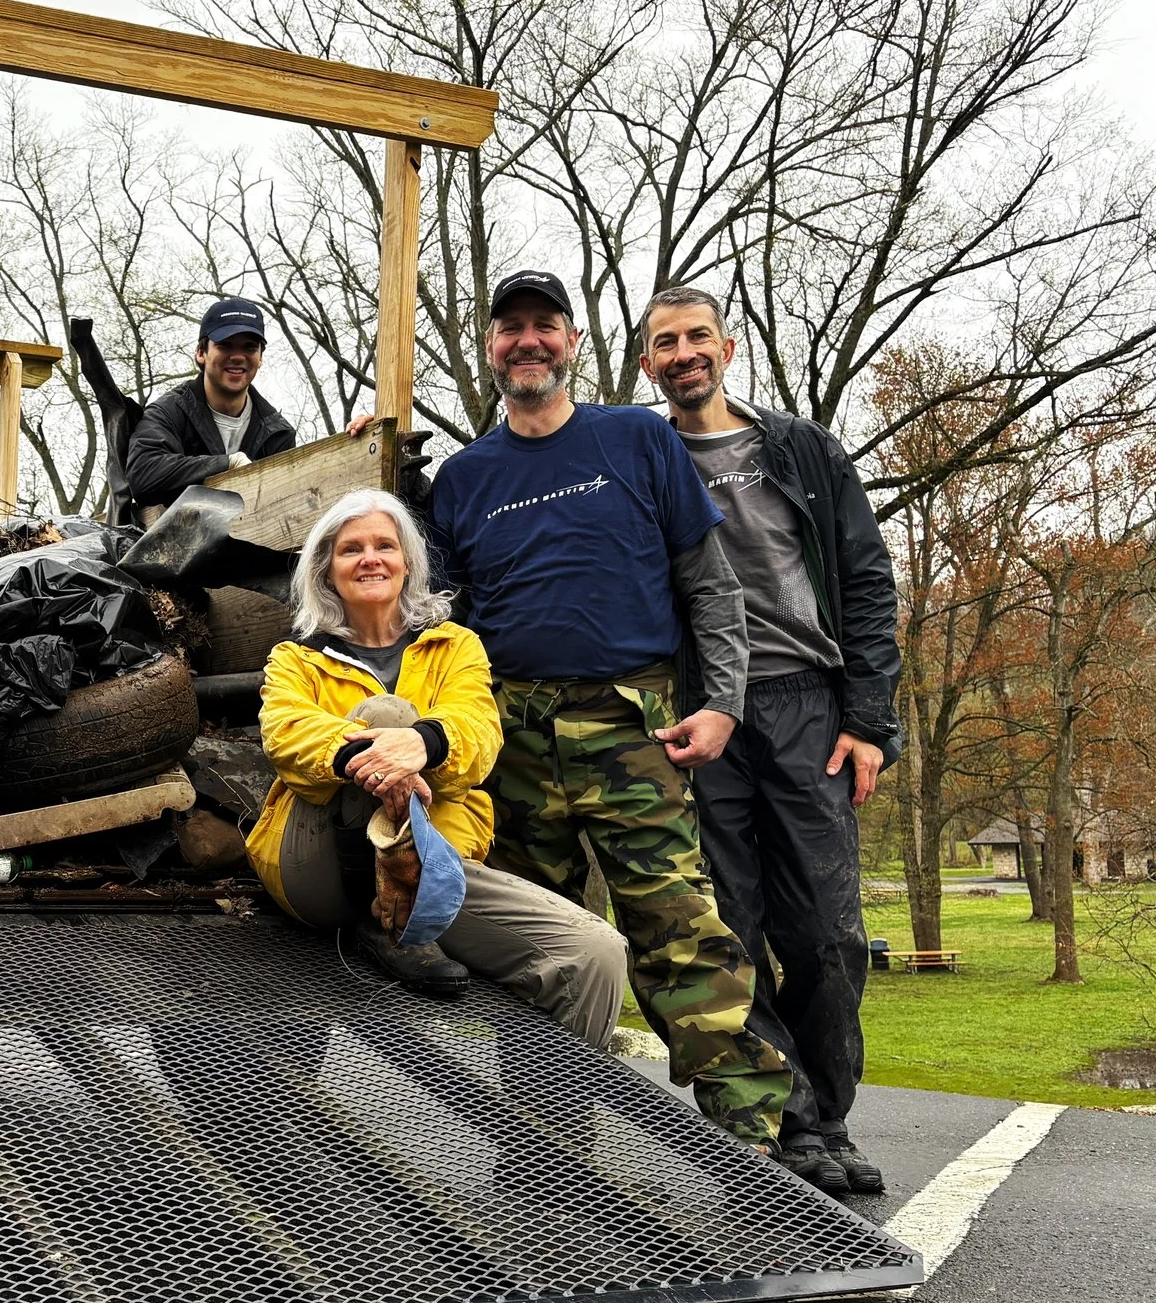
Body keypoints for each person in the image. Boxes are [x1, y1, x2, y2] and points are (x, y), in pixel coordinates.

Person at [423, 269, 794, 1152]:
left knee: (680, 929)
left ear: (574, 341)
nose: (528, 341)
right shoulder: (464, 477)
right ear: (490, 348)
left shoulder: (635, 439)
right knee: (540, 944)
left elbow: (712, 586)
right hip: (510, 737)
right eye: (509, 327)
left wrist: (724, 707)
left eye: (545, 324)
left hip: (635, 727)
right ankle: (547, 1148)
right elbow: (439, 621)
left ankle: (756, 1140)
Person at [640, 285, 902, 1194]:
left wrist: (871, 720)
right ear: (646, 364)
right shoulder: (638, 451)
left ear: (729, 345)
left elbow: (866, 580)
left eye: (697, 336)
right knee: (732, 929)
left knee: (829, 932)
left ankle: (828, 1114)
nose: (683, 354)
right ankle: (785, 1121)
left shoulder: (800, 448)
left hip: (806, 706)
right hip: (698, 709)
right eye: (664, 342)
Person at [250, 488, 630, 1042]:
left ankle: (548, 1124)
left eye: (385, 545)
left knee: (595, 953)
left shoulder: (456, 647)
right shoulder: (296, 657)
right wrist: (383, 754)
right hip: (320, 868)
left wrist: (425, 745)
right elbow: (285, 734)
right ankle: (384, 916)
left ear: (408, 563)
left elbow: (477, 731)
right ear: (326, 570)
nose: (371, 558)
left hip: (434, 864)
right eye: (351, 549)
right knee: (388, 714)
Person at [119, 296, 299, 519]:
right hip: (176, 549)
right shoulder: (168, 413)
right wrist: (227, 464)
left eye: (249, 347)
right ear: (201, 353)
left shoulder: (277, 433)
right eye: (225, 345)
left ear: (260, 357)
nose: (237, 356)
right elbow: (143, 474)